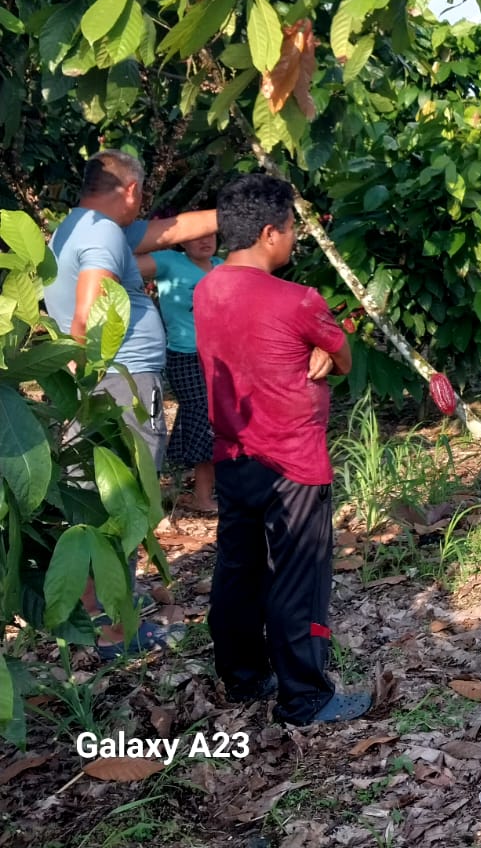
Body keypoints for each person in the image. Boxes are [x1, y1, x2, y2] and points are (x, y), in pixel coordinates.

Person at [192, 173, 369, 724]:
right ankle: (306, 697)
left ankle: (243, 675)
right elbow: (344, 358)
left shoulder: (206, 290)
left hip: (234, 456)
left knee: (239, 569)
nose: (294, 238)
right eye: (291, 228)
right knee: (300, 576)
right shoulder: (299, 300)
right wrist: (326, 352)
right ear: (270, 232)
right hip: (294, 462)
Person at [41, 149, 217, 657]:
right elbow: (89, 315)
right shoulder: (102, 234)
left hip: (105, 386)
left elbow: (172, 229)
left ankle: (99, 607)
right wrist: (96, 381)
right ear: (132, 190)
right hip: (120, 387)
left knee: (96, 503)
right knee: (124, 504)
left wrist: (244, 208)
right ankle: (115, 632)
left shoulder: (78, 226)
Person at [138, 226, 223, 513]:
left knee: (211, 420)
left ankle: (186, 486)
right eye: (196, 235)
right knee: (203, 418)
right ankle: (201, 496)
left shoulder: (223, 267)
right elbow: (120, 260)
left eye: (210, 234)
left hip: (221, 358)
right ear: (181, 241)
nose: (204, 239)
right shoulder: (169, 262)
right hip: (185, 356)